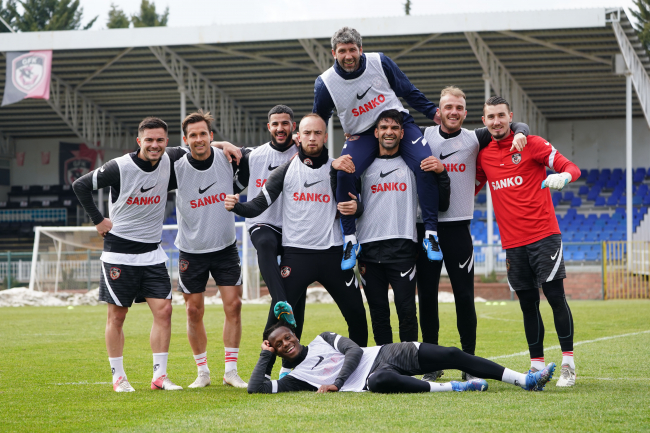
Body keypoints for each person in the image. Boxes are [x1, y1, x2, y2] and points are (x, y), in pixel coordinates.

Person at [224, 113, 369, 356]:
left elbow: (359, 205)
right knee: (279, 317)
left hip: (333, 254)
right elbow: (258, 205)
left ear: (325, 136)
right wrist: (236, 206)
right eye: (307, 133)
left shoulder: (339, 168)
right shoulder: (284, 170)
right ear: (298, 137)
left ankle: (360, 366)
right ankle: (270, 372)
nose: (312, 138)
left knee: (357, 315)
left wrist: (357, 207)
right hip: (297, 255)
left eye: (318, 133)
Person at [416, 86, 530, 381]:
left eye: (459, 108)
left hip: (458, 229)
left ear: (466, 114)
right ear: (438, 111)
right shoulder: (423, 137)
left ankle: (468, 363)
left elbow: (508, 124)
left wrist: (520, 132)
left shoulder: (474, 138)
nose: (453, 112)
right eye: (448, 107)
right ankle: (431, 363)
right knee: (427, 298)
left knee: (464, 297)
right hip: (425, 229)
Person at [72, 117, 187, 392]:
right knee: (118, 316)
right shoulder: (119, 166)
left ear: (166, 142)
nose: (155, 145)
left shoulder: (172, 158)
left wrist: (226, 145)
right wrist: (98, 220)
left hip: (153, 252)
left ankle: (160, 376)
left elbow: (200, 145)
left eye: (160, 140)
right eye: (149, 140)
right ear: (139, 141)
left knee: (165, 310)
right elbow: (80, 185)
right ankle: (119, 377)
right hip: (119, 253)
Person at [313, 26, 443, 269]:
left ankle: (431, 235)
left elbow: (407, 89)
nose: (348, 55)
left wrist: (432, 112)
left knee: (426, 166)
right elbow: (319, 120)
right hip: (362, 134)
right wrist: (315, 150)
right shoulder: (326, 83)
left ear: (361, 49)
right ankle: (351, 240)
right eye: (343, 51)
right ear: (334, 53)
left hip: (397, 124)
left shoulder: (379, 62)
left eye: (353, 49)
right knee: (344, 172)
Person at [475, 96, 581, 387]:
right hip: (512, 243)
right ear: (484, 122)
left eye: (501, 115)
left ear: (510, 116)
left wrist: (564, 177)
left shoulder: (531, 143)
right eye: (490, 117)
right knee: (527, 304)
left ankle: (568, 365)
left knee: (555, 298)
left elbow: (571, 167)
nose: (496, 121)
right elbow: (470, 188)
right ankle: (535, 367)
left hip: (544, 235)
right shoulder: (483, 155)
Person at [334, 109, 449, 346]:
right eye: (384, 128)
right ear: (375, 132)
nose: (389, 132)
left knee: (407, 312)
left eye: (394, 128)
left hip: (403, 244)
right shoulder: (362, 166)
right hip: (368, 247)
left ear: (402, 132)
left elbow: (441, 201)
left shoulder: (413, 165)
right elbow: (347, 199)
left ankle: (407, 366)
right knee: (378, 313)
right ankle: (385, 364)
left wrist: (442, 172)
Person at [213, 104, 304, 378]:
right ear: (268, 127)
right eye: (275, 124)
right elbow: (207, 147)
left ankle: (285, 366)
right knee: (264, 243)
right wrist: (224, 143)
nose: (280, 128)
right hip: (262, 222)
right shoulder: (253, 156)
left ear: (293, 126)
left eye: (285, 123)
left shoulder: (304, 153)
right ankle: (279, 300)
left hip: (296, 229)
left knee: (294, 294)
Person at [247, 322, 556, 394]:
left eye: (287, 337)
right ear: (274, 349)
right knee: (380, 381)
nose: (286, 343)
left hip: (384, 353)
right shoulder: (294, 379)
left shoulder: (321, 339)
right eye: (277, 344)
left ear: (295, 336)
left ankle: (525, 380)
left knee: (450, 354)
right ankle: (452, 389)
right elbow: (256, 387)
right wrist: (264, 355)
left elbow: (354, 350)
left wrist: (338, 382)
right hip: (373, 378)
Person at [173, 110, 247, 388]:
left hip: (225, 248)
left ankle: (230, 371)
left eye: (203, 134)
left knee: (234, 306)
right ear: (185, 140)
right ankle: (202, 372)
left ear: (211, 135)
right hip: (191, 251)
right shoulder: (176, 164)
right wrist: (221, 142)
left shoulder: (228, 159)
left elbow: (255, 153)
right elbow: (148, 151)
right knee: (193, 311)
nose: (199, 139)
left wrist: (224, 145)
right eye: (193, 135)